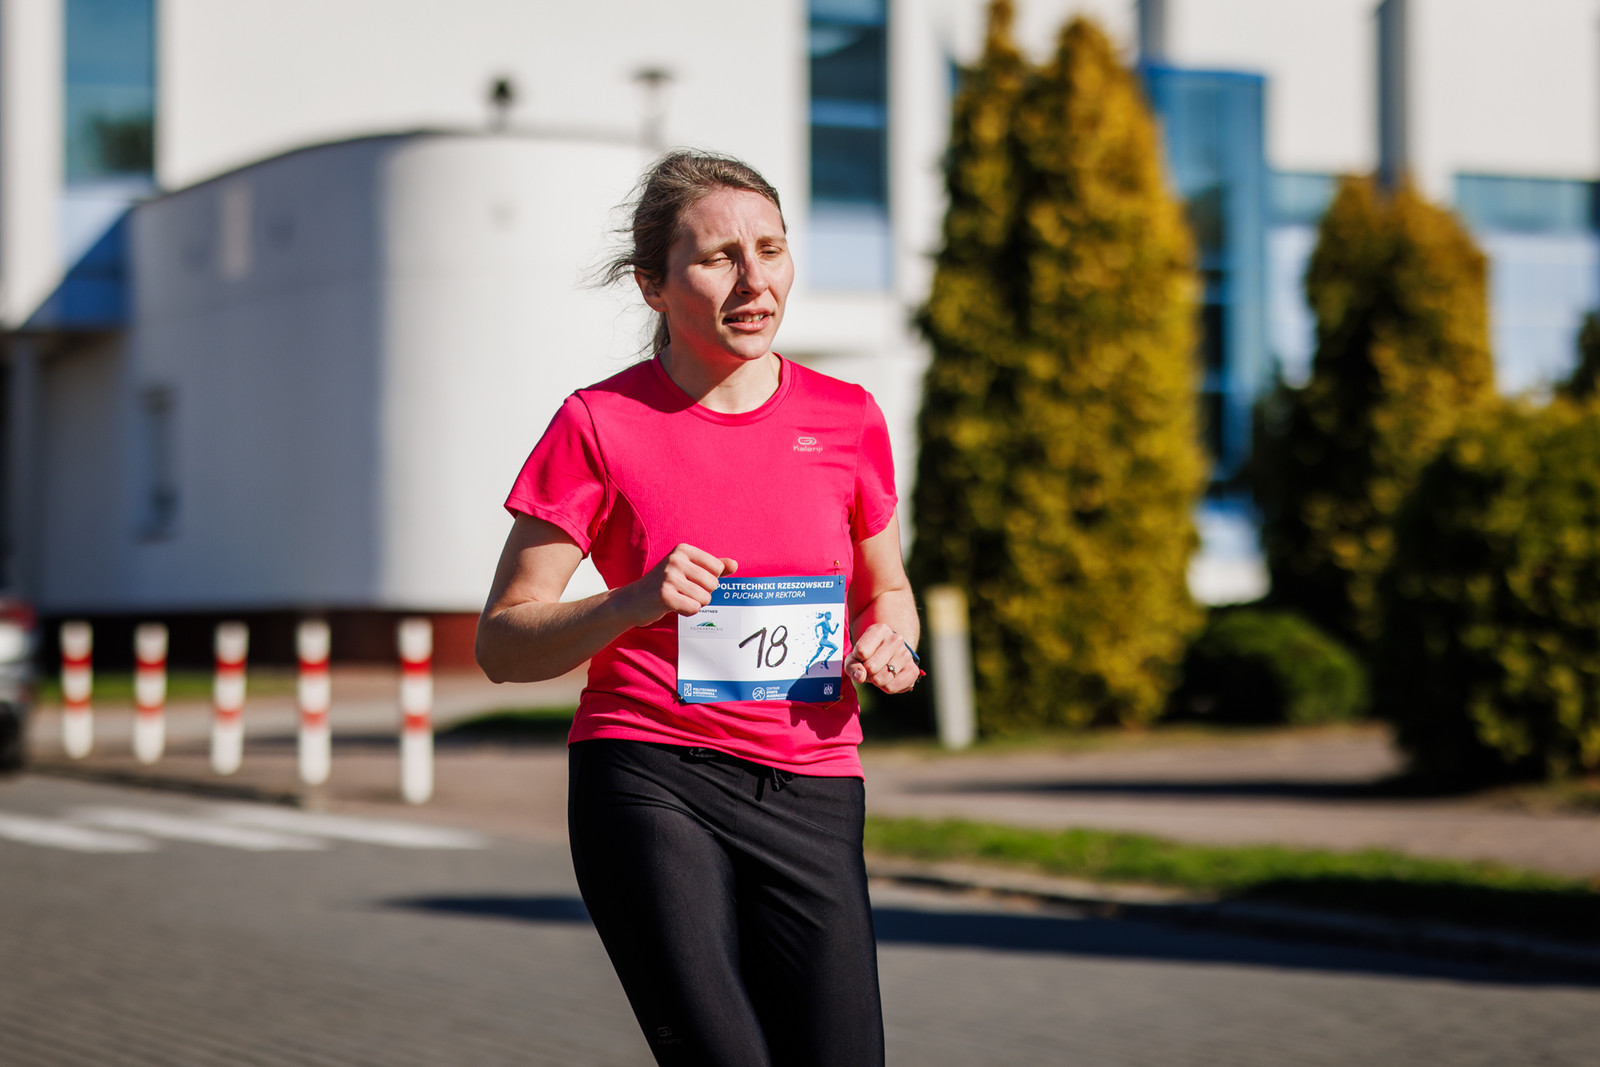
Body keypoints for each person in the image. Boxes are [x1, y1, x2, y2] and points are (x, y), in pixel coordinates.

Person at [475, 150, 919, 1067]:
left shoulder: (848, 418)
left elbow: (889, 590)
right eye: (720, 257)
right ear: (654, 285)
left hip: (814, 781)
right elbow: (502, 643)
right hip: (651, 777)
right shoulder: (599, 423)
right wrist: (633, 600)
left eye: (772, 249)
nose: (755, 281)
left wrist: (891, 640)